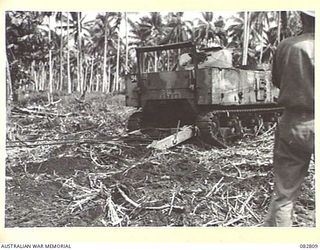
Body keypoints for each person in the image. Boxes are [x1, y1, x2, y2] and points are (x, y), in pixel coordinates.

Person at [263, 11, 315, 227]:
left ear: (302, 18)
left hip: (293, 122)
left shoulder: (286, 45)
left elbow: (277, 80)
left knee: (284, 195)